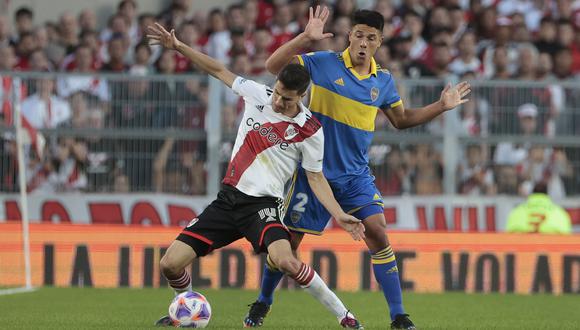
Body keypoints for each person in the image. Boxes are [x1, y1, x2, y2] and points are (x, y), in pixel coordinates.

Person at [248, 7, 471, 330]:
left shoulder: (384, 81)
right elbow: (272, 67)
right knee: (289, 246)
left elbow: (401, 120)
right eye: (358, 35)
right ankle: (263, 302)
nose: (363, 42)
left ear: (380, 41)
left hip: (355, 176)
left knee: (378, 231)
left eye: (371, 37)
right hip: (314, 174)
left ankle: (398, 315)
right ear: (349, 35)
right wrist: (304, 39)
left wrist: (441, 106)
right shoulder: (322, 63)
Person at [146, 23, 366, 329]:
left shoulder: (311, 131)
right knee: (169, 264)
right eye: (277, 93)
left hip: (262, 207)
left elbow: (315, 178)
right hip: (227, 201)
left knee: (287, 261)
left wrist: (339, 215)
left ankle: (346, 317)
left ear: (302, 96)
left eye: (287, 99)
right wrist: (179, 46)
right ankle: (186, 306)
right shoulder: (256, 94)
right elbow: (218, 70)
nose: (278, 102)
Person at [506, 182, 572, 234]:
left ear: (532, 193)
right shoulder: (559, 213)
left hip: (523, 248)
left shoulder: (517, 211)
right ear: (547, 194)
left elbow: (509, 234)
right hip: (550, 248)